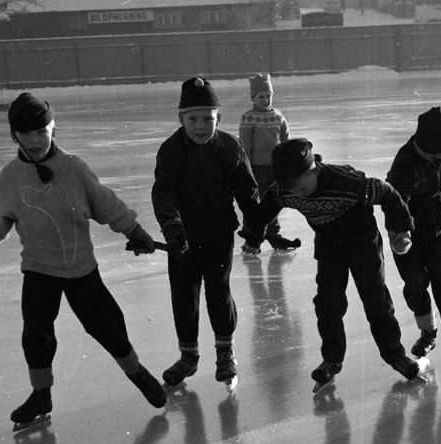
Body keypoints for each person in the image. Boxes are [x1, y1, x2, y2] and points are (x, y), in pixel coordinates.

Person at [0, 92, 166, 429]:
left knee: (107, 326)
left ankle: (137, 373)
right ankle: (41, 394)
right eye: (25, 133)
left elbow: (105, 203)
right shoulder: (10, 178)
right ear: (14, 136)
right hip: (38, 270)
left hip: (80, 269)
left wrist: (133, 230)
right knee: (36, 335)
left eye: (41, 131)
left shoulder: (73, 168)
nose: (34, 140)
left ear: (54, 128)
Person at [248, 138, 425, 387]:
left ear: (314, 170)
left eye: (301, 186)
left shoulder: (346, 182)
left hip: (362, 241)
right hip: (328, 243)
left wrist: (401, 230)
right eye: (291, 189)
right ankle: (331, 359)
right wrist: (254, 237)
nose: (298, 193)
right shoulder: (283, 190)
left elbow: (387, 193)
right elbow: (264, 211)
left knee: (375, 300)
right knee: (328, 303)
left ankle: (396, 355)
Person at [152, 76, 262, 387]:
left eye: (208, 119)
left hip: (218, 235)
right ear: (181, 119)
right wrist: (172, 226)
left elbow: (247, 191)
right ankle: (188, 357)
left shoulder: (229, 147)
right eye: (193, 119)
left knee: (218, 291)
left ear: (219, 118)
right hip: (182, 239)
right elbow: (163, 192)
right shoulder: (171, 150)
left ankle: (225, 352)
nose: (200, 126)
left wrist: (254, 226)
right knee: (184, 296)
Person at [386, 106, 441, 364]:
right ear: (430, 146)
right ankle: (427, 331)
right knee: (415, 283)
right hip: (407, 234)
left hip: (438, 227)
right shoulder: (405, 166)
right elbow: (394, 203)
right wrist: (400, 235)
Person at [237, 72, 300, 253]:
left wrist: (288, 162)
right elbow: (244, 146)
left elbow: (286, 141)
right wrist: (246, 168)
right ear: (253, 98)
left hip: (275, 168)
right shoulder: (248, 118)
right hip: (255, 169)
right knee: (254, 204)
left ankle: (274, 236)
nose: (265, 100)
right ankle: (251, 241)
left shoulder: (278, 116)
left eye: (268, 96)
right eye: (260, 97)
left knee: (273, 202)